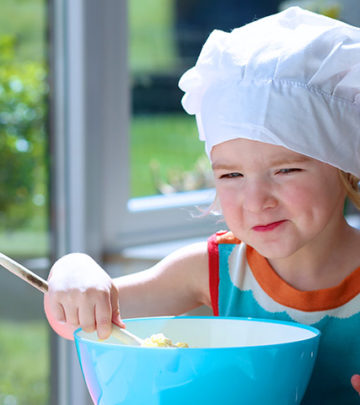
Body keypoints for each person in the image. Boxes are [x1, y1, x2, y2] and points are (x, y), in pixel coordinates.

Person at [44, 6, 360, 403]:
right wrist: (73, 268)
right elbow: (72, 317)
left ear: (345, 166)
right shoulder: (211, 269)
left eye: (286, 170)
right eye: (231, 175)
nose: (255, 200)